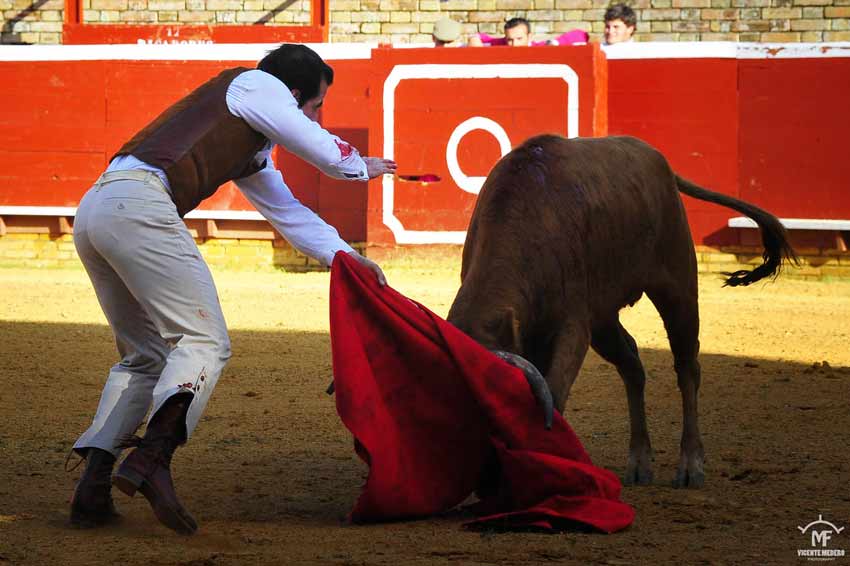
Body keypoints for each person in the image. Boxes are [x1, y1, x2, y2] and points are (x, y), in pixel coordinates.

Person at [67, 43, 396, 534]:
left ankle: (93, 485)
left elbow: (290, 214)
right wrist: (361, 165)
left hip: (98, 209)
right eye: (315, 106)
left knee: (145, 357)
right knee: (203, 341)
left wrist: (346, 257)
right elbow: (326, 151)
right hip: (139, 207)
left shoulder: (253, 145)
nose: (316, 117)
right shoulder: (255, 85)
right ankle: (152, 460)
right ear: (295, 92)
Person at [468, 17, 588, 47]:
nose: (514, 44)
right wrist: (474, 40)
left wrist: (555, 43)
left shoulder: (540, 47)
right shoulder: (502, 43)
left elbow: (581, 35)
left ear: (529, 37)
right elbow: (478, 37)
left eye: (519, 39)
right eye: (510, 40)